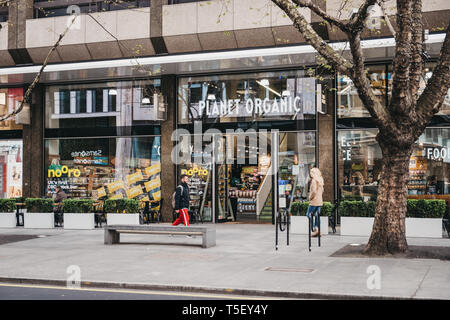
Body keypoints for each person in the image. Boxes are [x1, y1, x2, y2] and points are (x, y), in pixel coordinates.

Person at [306, 167, 324, 237]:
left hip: (314, 201)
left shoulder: (314, 181)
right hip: (319, 201)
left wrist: (310, 197)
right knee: (317, 216)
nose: (310, 174)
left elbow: (313, 191)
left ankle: (315, 228)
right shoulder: (320, 180)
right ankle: (318, 230)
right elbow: (322, 191)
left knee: (308, 214)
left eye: (311, 172)